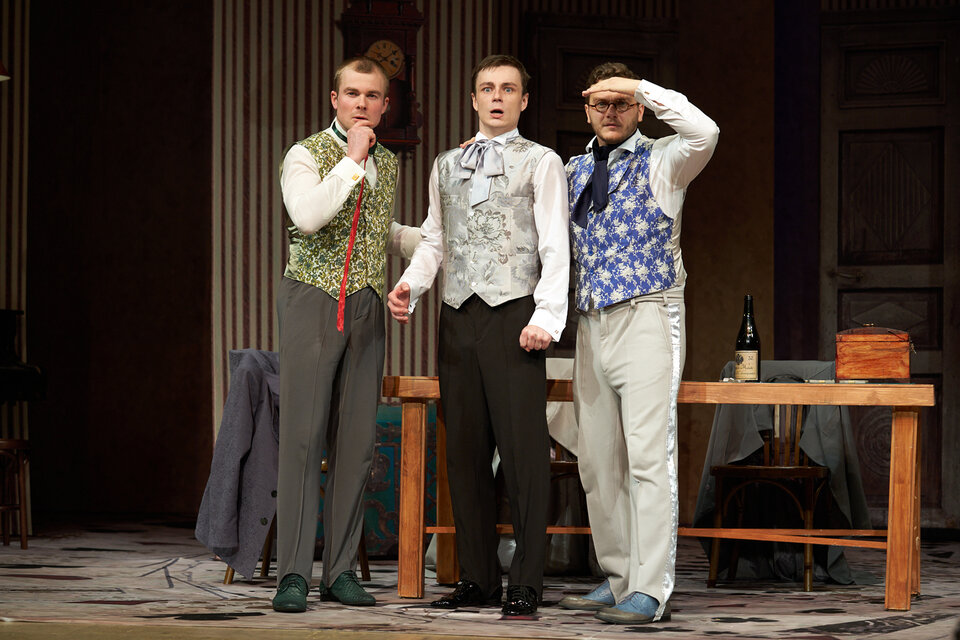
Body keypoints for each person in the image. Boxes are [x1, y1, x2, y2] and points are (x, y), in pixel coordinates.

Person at [386, 54, 569, 617]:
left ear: (523, 101)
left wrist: (547, 317)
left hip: (515, 316)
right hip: (458, 316)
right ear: (473, 99)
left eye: (508, 89)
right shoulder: (447, 164)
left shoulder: (541, 161)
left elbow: (554, 243)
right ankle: (478, 577)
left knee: (523, 455)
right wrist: (411, 286)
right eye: (487, 88)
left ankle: (527, 581)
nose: (496, 97)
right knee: (463, 455)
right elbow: (436, 239)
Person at [556, 63, 719, 624]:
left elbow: (706, 131)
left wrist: (640, 86)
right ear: (586, 110)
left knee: (649, 457)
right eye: (600, 103)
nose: (611, 112)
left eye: (621, 103)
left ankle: (650, 589)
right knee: (598, 462)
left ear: (639, 108)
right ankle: (620, 575)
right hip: (591, 322)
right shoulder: (573, 170)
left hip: (647, 314)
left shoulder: (665, 159)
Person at [271, 56, 420, 613]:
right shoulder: (306, 154)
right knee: (304, 439)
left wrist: (426, 240)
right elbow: (309, 217)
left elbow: (376, 230)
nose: (362, 103)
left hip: (365, 303)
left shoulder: (388, 162)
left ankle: (339, 572)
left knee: (356, 444)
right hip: (314, 298)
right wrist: (352, 159)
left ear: (385, 105)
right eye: (352, 93)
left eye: (372, 95)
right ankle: (292, 574)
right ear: (335, 99)